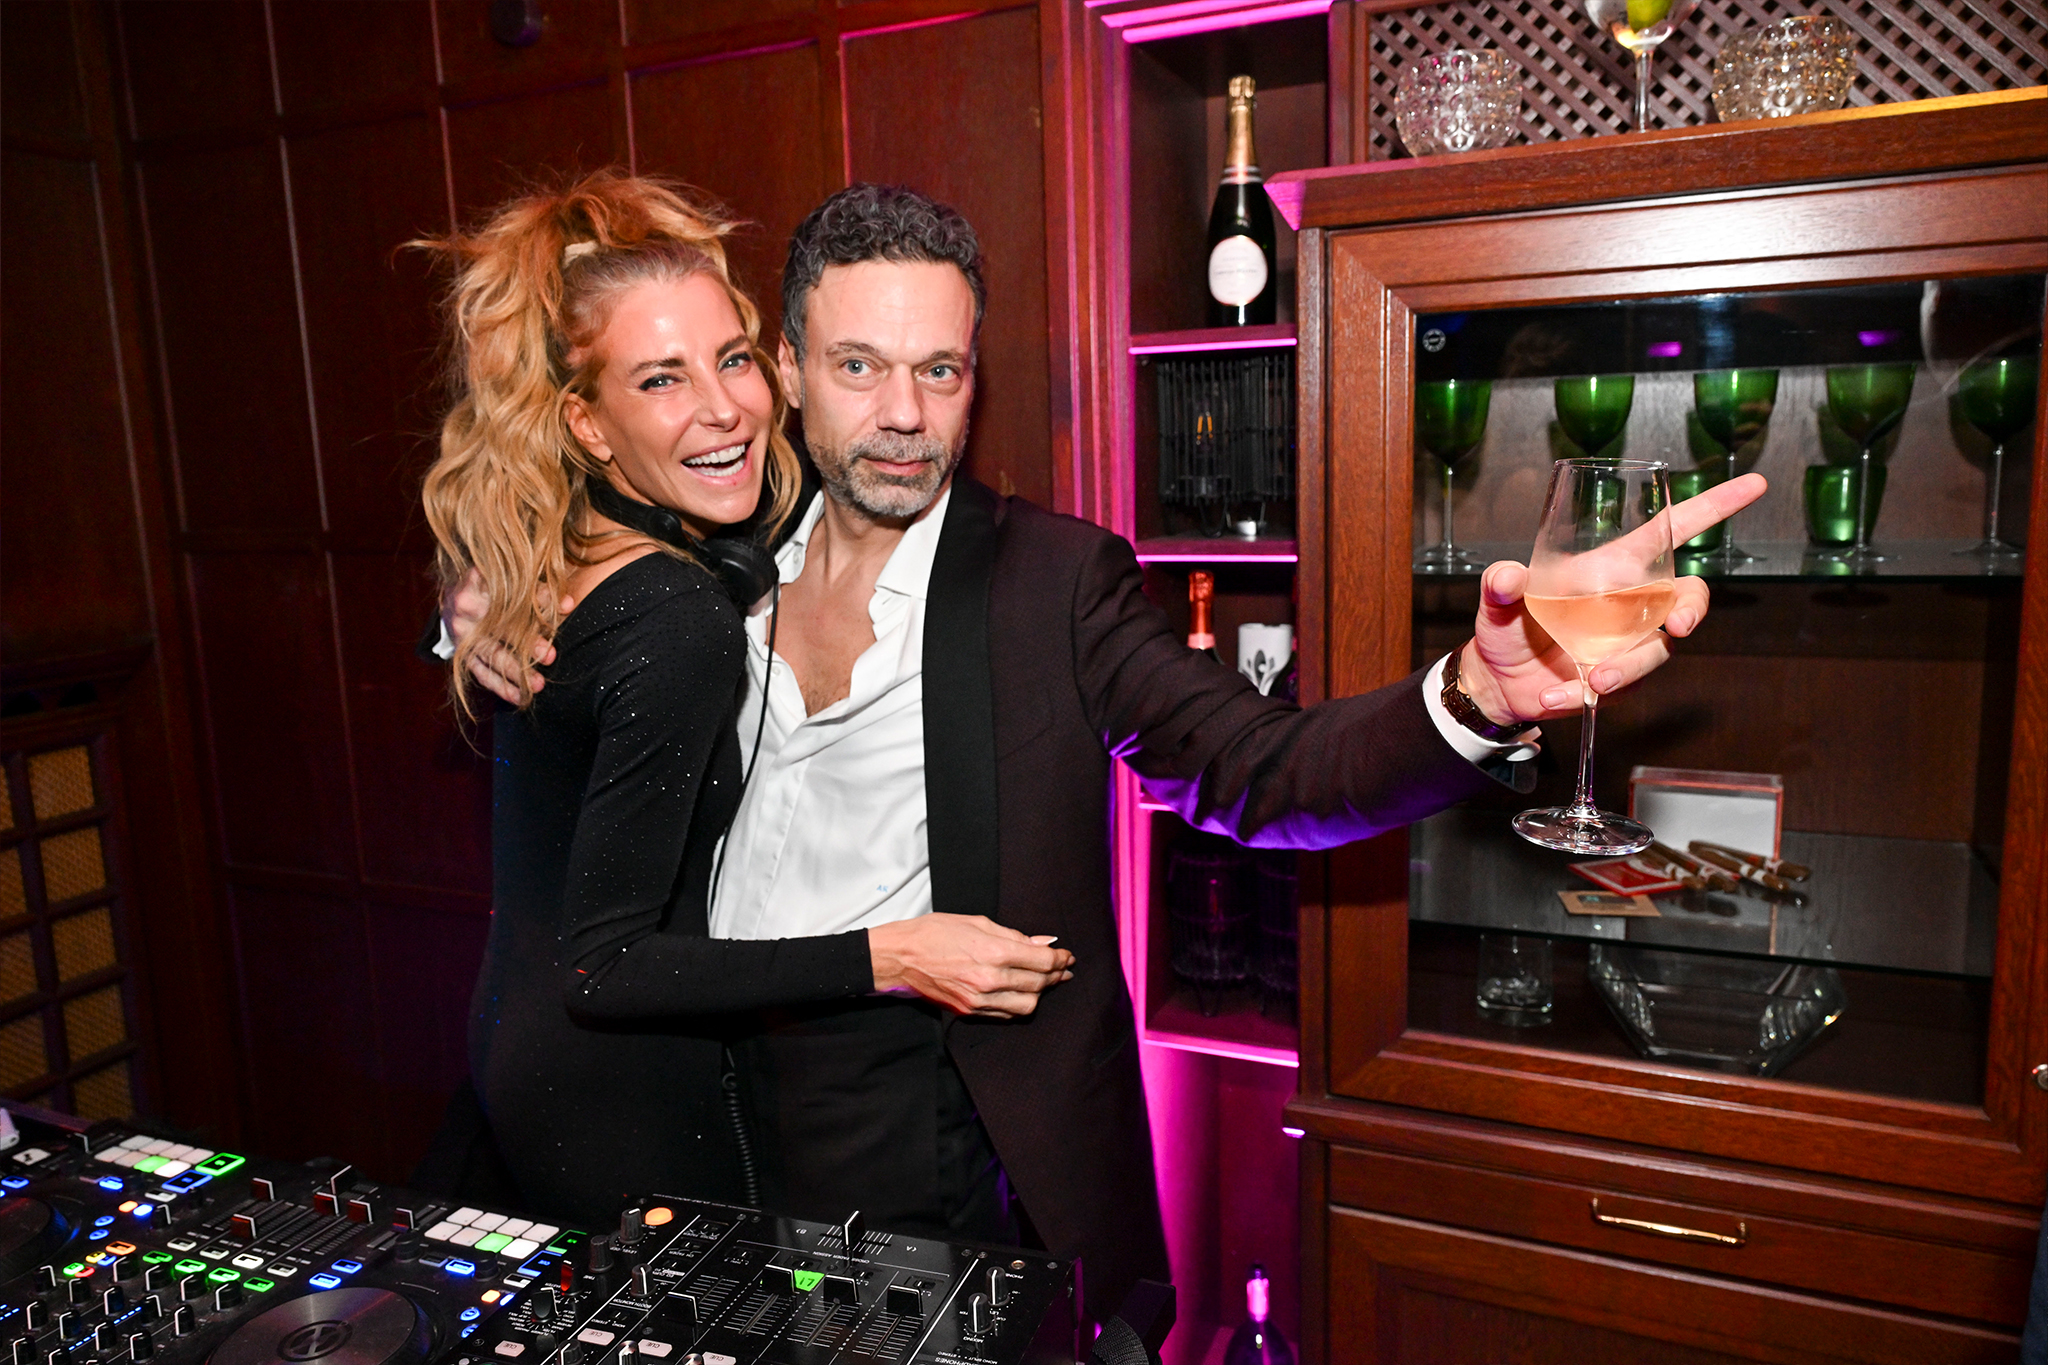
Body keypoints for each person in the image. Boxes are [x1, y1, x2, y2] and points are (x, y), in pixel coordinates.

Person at [444, 183, 1765, 1318]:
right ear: (784, 370)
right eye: (857, 367)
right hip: (715, 1117)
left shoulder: (1052, 581)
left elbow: (1259, 770)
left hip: (944, 1121)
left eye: (940, 371)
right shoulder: (714, 545)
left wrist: (1473, 694)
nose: (904, 414)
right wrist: (462, 619)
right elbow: (539, 549)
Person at [413, 173, 1075, 1229]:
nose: (721, 408)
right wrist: (896, 951)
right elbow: (605, 966)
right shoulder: (680, 615)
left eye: (729, 360)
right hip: (625, 1097)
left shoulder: (576, 544)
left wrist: (466, 604)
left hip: (516, 1056)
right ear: (588, 425)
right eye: (660, 379)